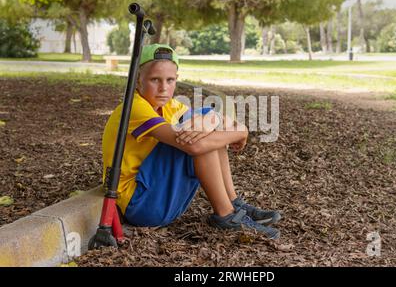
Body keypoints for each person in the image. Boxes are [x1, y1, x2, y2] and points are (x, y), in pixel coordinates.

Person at [102, 44, 281, 239]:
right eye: (155, 80)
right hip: (140, 205)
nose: (163, 88)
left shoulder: (169, 105)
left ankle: (233, 203)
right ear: (137, 81)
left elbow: (208, 120)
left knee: (202, 120)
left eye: (170, 80)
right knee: (198, 135)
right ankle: (226, 215)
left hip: (157, 197)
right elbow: (195, 145)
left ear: (176, 80)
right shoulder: (134, 107)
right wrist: (238, 132)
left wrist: (221, 122)